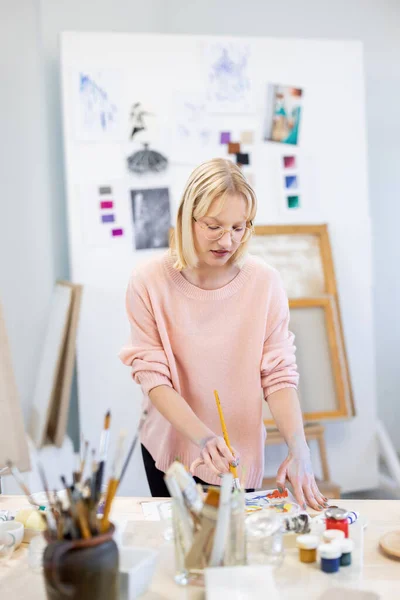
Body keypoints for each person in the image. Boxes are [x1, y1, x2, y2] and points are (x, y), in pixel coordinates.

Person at [119, 158, 327, 511]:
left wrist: (299, 447)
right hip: (171, 446)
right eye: (213, 226)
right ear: (188, 217)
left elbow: (278, 374)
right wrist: (202, 437)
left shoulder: (264, 282)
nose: (227, 240)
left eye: (239, 227)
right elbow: (153, 376)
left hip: (237, 452)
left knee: (234, 554)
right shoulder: (148, 281)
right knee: (184, 551)